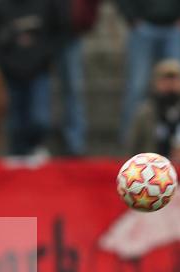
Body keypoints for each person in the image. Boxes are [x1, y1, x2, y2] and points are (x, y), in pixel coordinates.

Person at [0, 0, 62, 157]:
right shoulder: (0, 6)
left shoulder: (46, 5)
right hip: (11, 73)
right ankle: (18, 154)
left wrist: (44, 58)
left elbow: (57, 33)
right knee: (15, 120)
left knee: (40, 118)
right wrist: (4, 63)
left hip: (38, 71)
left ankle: (35, 148)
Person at [116, 0, 180, 142]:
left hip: (174, 26)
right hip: (143, 26)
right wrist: (131, 17)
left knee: (179, 85)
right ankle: (130, 140)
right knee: (137, 86)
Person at [55, 0, 103, 156]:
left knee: (74, 90)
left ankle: (75, 143)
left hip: (70, 32)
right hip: (42, 30)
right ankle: (35, 141)